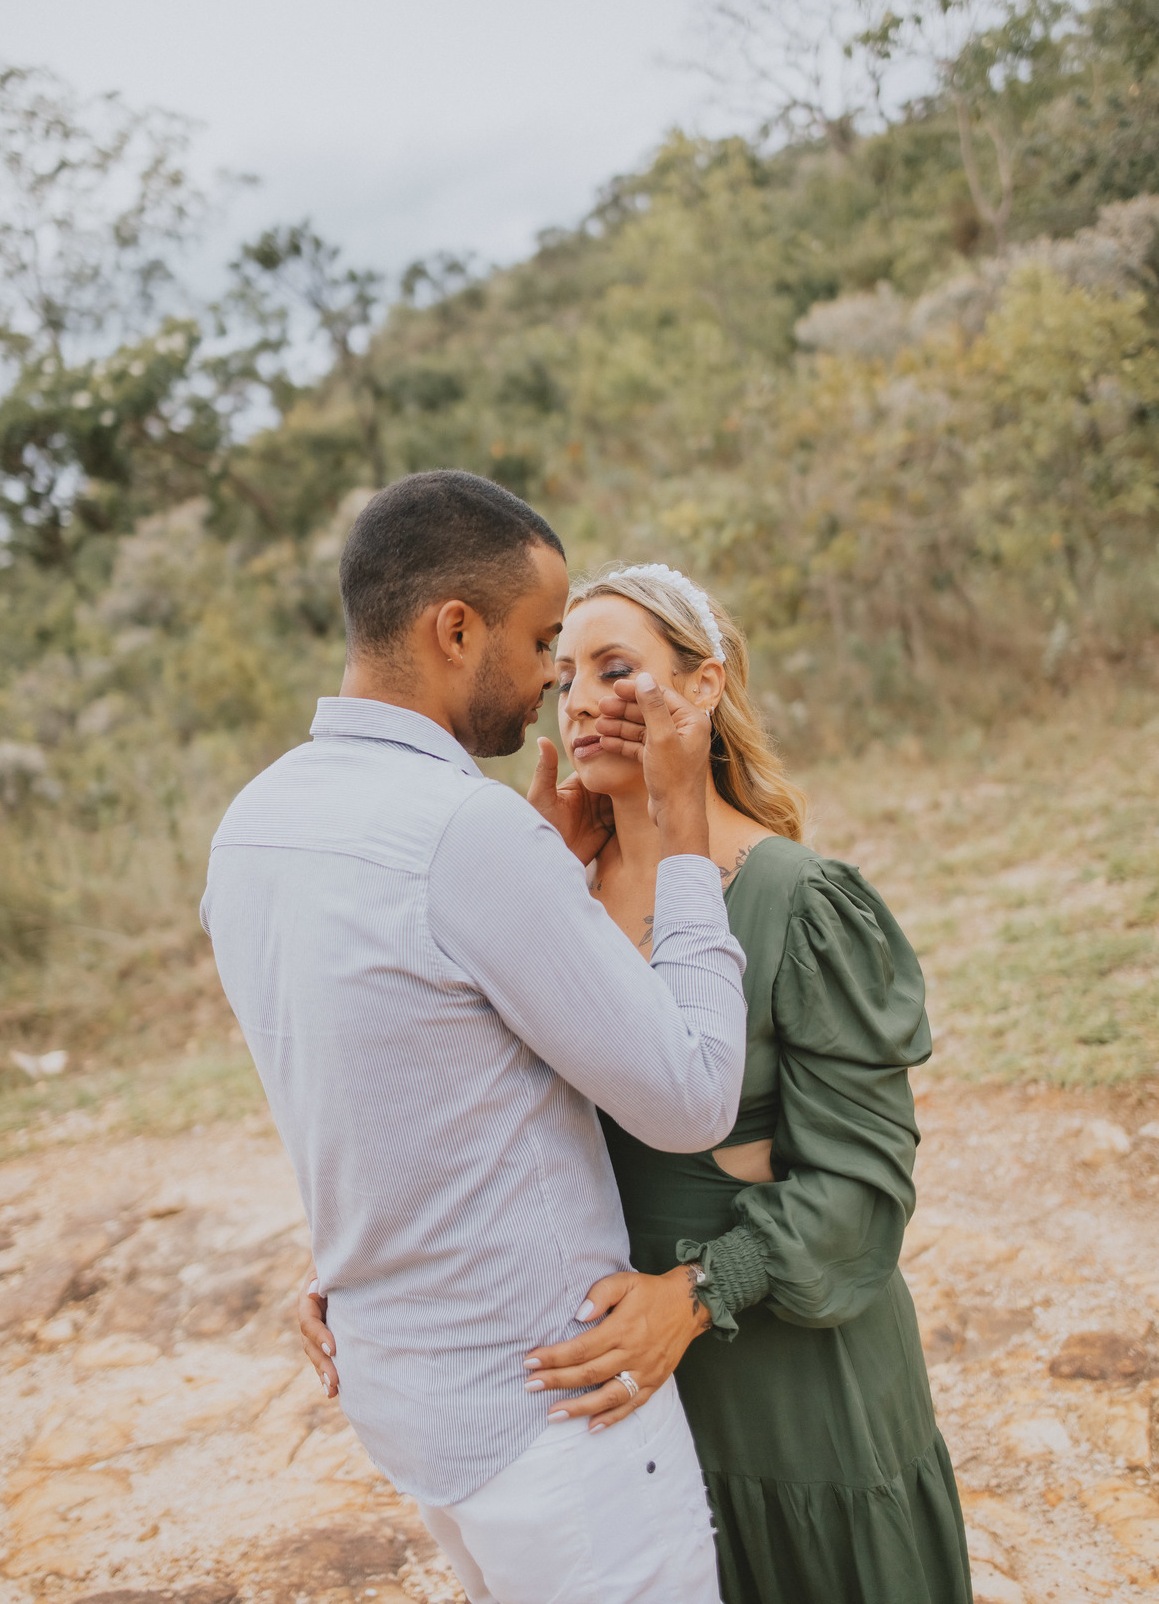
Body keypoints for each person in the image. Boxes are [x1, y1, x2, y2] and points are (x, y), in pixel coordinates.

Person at [302, 560, 973, 1604]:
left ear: (704, 686)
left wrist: (696, 1296)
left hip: (796, 1391)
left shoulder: (800, 903)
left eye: (617, 668)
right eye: (564, 672)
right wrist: (351, 1266)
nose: (580, 700)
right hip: (614, 1410)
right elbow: (456, 1117)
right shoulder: (541, 901)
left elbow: (863, 1186)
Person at [200, 472, 750, 1604]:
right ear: (455, 630)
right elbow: (694, 1096)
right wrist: (684, 838)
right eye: (544, 640)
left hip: (410, 1406)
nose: (557, 677)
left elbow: (378, 1075)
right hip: (561, 1418)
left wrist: (536, 889)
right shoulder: (464, 831)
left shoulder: (250, 828)